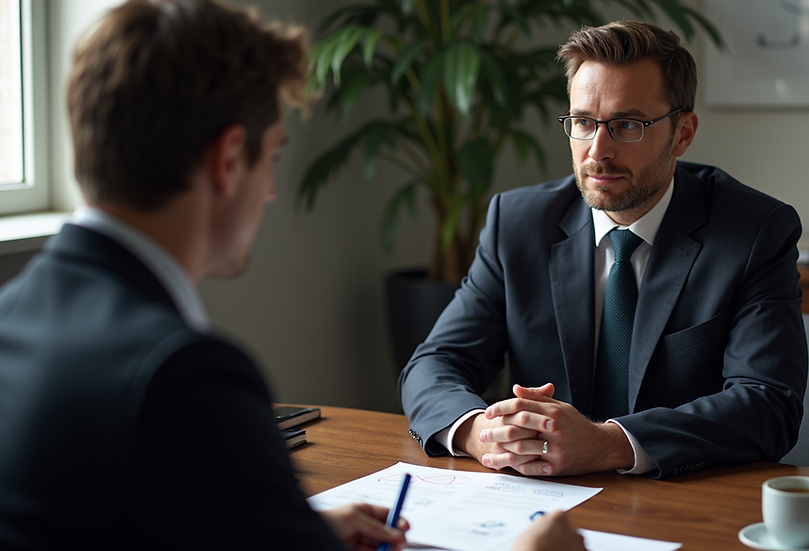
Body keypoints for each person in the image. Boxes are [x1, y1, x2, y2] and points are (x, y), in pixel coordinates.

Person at [0, 1, 585, 550]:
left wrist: (287, 530)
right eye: (272, 157)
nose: (273, 189)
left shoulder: (13, 316)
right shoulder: (181, 376)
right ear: (229, 161)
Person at [399, 21, 807, 480]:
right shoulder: (516, 225)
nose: (598, 150)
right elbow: (436, 363)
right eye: (583, 122)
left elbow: (770, 404)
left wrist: (611, 444)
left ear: (682, 134)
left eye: (627, 125)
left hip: (684, 503)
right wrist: (479, 432)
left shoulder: (754, 232)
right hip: (541, 504)